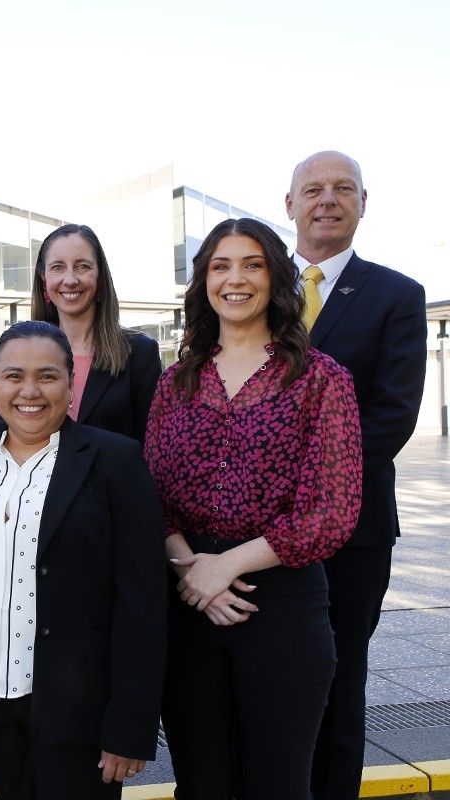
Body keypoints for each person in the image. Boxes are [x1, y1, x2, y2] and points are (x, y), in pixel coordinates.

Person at [144, 218, 364, 800]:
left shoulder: (321, 379)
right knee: (200, 782)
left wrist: (229, 566)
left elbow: (331, 509)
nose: (235, 279)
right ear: (203, 282)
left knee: (279, 784)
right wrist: (194, 569)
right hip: (189, 598)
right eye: (220, 265)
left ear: (276, 276)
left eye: (252, 264)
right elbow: (152, 496)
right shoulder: (175, 384)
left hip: (282, 602)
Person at [0, 320, 166, 800]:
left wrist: (130, 725)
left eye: (47, 376)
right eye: (13, 375)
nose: (29, 390)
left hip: (79, 711)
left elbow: (143, 602)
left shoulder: (116, 462)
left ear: (71, 384)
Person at [284, 151, 428, 800]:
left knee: (339, 686)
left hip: (351, 530)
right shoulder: (248, 286)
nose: (327, 199)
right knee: (262, 684)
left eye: (344, 188)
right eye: (312, 189)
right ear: (289, 205)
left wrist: (292, 486)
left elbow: (390, 418)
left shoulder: (397, 296)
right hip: (249, 533)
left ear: (364, 203)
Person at [32, 224, 161, 441]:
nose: (70, 280)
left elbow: (151, 448)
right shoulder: (25, 352)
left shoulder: (140, 353)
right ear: (44, 278)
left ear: (100, 276)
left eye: (82, 266)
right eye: (58, 267)